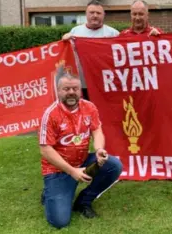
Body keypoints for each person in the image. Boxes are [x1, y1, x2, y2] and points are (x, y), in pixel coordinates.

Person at [39, 73, 122, 229]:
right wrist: (72, 171)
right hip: (57, 169)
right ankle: (49, 191)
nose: (71, 92)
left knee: (113, 165)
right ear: (58, 91)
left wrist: (99, 149)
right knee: (60, 221)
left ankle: (84, 201)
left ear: (80, 90)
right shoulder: (50, 114)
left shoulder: (89, 107)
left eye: (75, 88)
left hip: (82, 161)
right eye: (66, 89)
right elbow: (45, 149)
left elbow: (97, 130)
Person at [62, 0, 119, 100]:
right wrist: (63, 41)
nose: (95, 15)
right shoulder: (75, 32)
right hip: (82, 84)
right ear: (86, 14)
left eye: (98, 13)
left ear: (104, 15)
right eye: (92, 12)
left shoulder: (113, 34)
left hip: (105, 83)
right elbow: (65, 53)